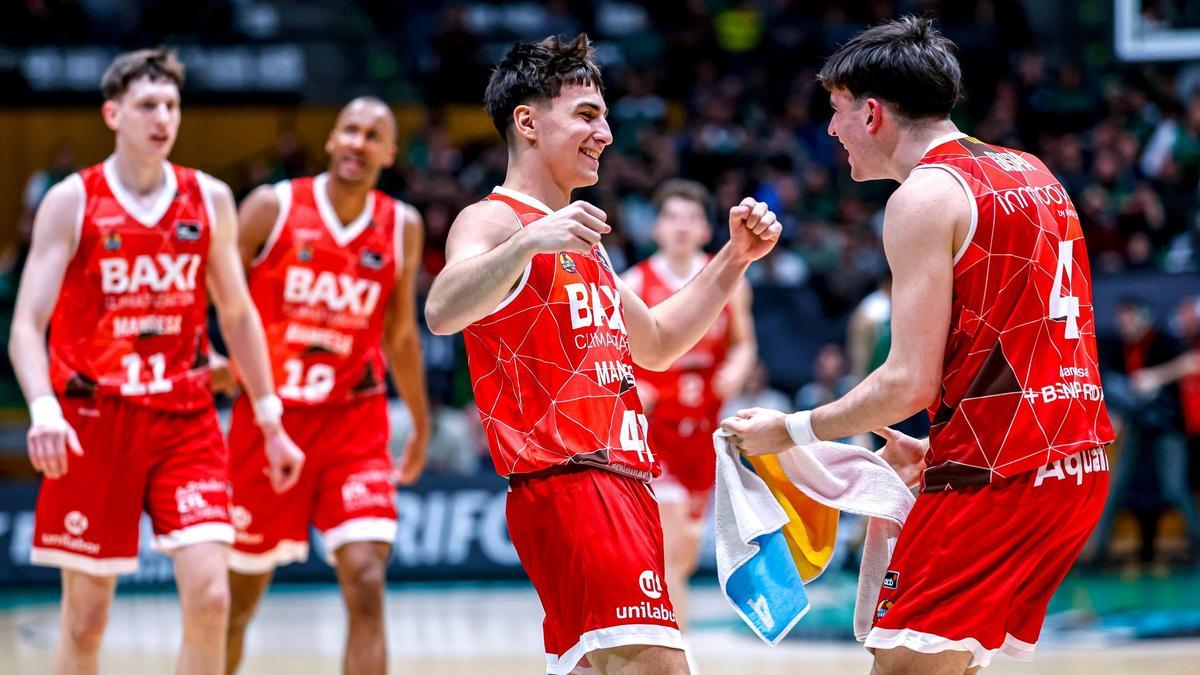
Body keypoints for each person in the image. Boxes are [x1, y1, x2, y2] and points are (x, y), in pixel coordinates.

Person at [721, 17, 1114, 674]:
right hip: (1073, 466)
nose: (830, 130)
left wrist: (788, 430)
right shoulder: (1034, 171)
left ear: (872, 112)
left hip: (998, 475)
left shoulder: (925, 197)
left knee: (904, 667)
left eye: (836, 110)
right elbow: (1031, 347)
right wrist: (940, 441)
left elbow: (906, 383)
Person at [423, 34, 780, 675]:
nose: (606, 133)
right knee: (657, 666)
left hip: (618, 481)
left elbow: (660, 343)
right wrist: (527, 243)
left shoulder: (582, 239)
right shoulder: (495, 219)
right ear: (527, 123)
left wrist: (733, 260)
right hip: (574, 481)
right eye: (587, 115)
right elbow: (443, 309)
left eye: (605, 117)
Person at [7, 48, 304, 675]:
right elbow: (26, 327)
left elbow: (240, 313)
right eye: (147, 105)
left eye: (171, 105)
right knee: (86, 621)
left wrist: (271, 419)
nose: (162, 117)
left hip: (185, 418)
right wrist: (42, 408)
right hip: (92, 421)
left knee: (211, 594)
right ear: (113, 113)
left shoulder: (211, 198)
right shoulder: (72, 200)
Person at [221, 97, 431, 675]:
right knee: (236, 601)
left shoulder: (401, 226)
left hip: (353, 423)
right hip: (270, 422)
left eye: (374, 136)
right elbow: (214, 286)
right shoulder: (272, 205)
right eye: (351, 131)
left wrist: (420, 420)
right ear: (332, 140)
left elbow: (402, 335)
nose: (359, 143)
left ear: (390, 153)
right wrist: (213, 357)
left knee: (366, 578)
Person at [621, 178, 756, 630]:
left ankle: (669, 634)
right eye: (671, 217)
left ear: (705, 229)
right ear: (656, 227)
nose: (681, 226)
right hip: (656, 430)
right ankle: (677, 647)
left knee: (685, 550)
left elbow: (743, 345)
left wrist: (737, 368)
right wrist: (634, 386)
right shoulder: (635, 282)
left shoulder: (729, 278)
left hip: (707, 430)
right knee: (672, 541)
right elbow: (611, 352)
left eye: (691, 217)